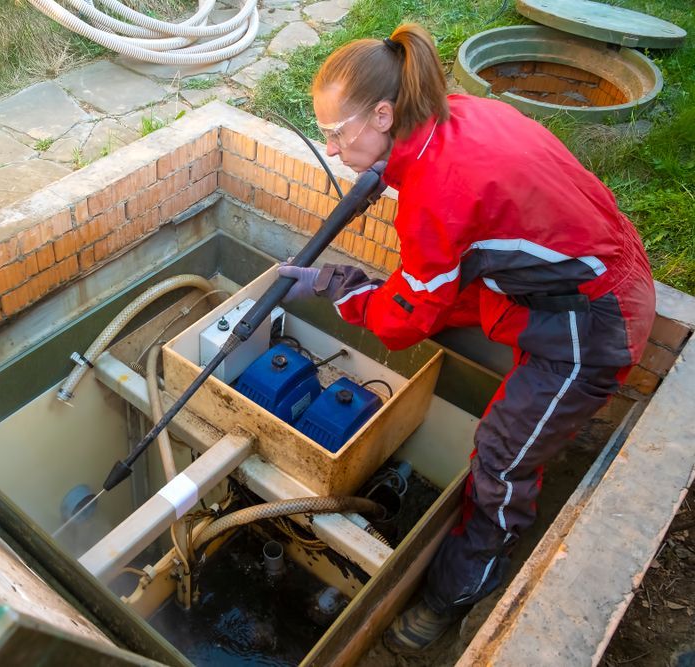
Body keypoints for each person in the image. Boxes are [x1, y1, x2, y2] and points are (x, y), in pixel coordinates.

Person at [277, 23, 656, 652]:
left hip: (596, 322)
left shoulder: (437, 195)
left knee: (502, 457)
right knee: (443, 304)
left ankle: (458, 591)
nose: (334, 148)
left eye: (337, 134)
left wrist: (340, 290)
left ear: (381, 113)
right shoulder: (454, 118)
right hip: (577, 272)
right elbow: (437, 280)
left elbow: (406, 323)